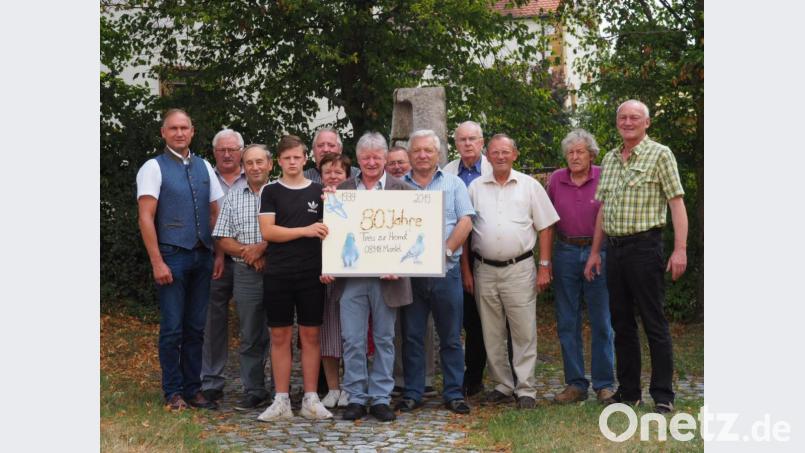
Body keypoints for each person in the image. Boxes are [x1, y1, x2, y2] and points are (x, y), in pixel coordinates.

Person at [587, 100, 688, 414]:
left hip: (645, 249)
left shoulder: (661, 154)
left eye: (634, 117)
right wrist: (594, 252)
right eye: (623, 117)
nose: (628, 122)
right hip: (614, 251)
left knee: (654, 323)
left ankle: (663, 395)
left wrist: (680, 249)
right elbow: (603, 208)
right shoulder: (611, 158)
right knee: (622, 323)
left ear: (647, 123)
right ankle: (629, 392)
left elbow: (676, 204)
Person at [136, 108, 224, 411]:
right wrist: (157, 261)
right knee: (173, 327)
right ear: (163, 132)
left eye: (184, 127)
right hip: (172, 254)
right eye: (173, 128)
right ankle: (172, 391)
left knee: (196, 327)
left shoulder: (204, 167)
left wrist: (219, 253)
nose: (179, 133)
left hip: (202, 254)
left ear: (193, 130)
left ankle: (193, 389)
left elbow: (216, 212)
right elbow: (146, 217)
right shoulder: (153, 167)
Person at [323, 131, 414, 423]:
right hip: (353, 278)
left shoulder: (404, 191)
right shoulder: (343, 190)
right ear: (358, 159)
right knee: (352, 339)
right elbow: (332, 235)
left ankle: (380, 398)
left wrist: (401, 264)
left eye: (377, 156)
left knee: (385, 338)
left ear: (386, 158)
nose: (372, 162)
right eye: (366, 157)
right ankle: (356, 397)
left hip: (389, 278)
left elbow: (412, 237)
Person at [466, 133, 559, 410]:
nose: (501, 156)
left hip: (519, 268)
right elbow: (465, 228)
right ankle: (502, 384)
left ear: (515, 154)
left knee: (523, 330)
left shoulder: (529, 186)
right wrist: (466, 272)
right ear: (488, 155)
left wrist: (544, 265)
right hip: (484, 268)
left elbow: (545, 226)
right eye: (495, 152)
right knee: (491, 331)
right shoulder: (475, 187)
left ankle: (526, 388)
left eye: (506, 151)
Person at [397, 129, 475, 415]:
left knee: (451, 337)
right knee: (413, 336)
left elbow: (466, 221)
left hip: (447, 272)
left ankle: (454, 393)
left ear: (438, 154)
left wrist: (445, 250)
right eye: (416, 150)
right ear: (409, 155)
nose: (422, 155)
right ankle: (413, 392)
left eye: (428, 150)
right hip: (410, 277)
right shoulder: (397, 186)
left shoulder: (453, 184)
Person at [256, 135, 332, 421]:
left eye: (296, 157)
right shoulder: (270, 191)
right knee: (280, 335)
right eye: (286, 158)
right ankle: (282, 399)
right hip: (278, 272)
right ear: (279, 161)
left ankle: (311, 399)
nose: (292, 162)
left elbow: (333, 229)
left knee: (311, 335)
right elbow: (269, 232)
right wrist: (305, 230)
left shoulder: (320, 191)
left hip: (312, 273)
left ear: (304, 159)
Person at [547, 129, 615, 404]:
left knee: (601, 320)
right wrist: (546, 260)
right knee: (567, 320)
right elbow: (547, 221)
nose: (575, 157)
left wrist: (596, 251)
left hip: (599, 252)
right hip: (564, 251)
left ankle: (604, 384)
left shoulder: (603, 175)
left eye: (580, 151)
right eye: (570, 152)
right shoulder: (556, 180)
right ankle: (575, 384)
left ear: (591, 154)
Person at [211, 144, 274, 411]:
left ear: (270, 164)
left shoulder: (281, 193)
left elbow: (291, 228)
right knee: (250, 333)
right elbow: (222, 238)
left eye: (260, 162)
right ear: (243, 166)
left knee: (281, 332)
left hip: (280, 271)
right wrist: (249, 253)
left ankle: (281, 389)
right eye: (250, 163)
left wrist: (263, 248)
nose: (255, 167)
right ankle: (254, 389)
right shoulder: (234, 197)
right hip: (245, 273)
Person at [444, 120, 493, 397]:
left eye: (472, 139)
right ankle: (469, 377)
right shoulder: (448, 172)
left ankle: (488, 376)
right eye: (462, 139)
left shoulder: (493, 169)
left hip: (485, 250)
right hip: (455, 252)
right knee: (466, 319)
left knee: (491, 320)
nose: (467, 144)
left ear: (482, 142)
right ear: (456, 143)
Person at [384, 145, 437, 397]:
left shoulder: (414, 191)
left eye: (401, 162)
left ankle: (425, 376)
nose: (396, 167)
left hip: (420, 269)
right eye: (391, 163)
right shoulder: (382, 191)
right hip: (391, 269)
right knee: (395, 327)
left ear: (410, 163)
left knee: (421, 327)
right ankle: (399, 378)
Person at [201, 128, 247, 403]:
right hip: (215, 260)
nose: (227, 154)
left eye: (232, 149)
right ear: (214, 152)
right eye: (222, 150)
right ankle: (212, 380)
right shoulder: (205, 178)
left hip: (250, 259)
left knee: (252, 323)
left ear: (241, 151)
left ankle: (253, 384)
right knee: (213, 321)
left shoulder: (255, 176)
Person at [316, 153, 353, 409]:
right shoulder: (312, 200)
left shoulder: (358, 200)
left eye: (338, 172)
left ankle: (351, 387)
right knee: (328, 335)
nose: (333, 176)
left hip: (352, 278)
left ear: (348, 176)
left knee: (353, 335)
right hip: (323, 278)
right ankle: (332, 389)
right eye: (328, 172)